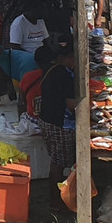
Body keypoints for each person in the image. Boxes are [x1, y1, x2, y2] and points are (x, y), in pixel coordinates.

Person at [35, 39, 78, 204]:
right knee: (59, 163)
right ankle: (57, 200)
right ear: (69, 57)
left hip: (47, 120)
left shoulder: (50, 68)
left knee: (56, 161)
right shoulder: (64, 75)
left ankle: (57, 198)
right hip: (59, 124)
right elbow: (71, 105)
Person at [19, 45, 55, 122]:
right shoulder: (58, 75)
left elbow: (22, 98)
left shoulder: (28, 76)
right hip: (51, 121)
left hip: (32, 118)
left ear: (36, 62)